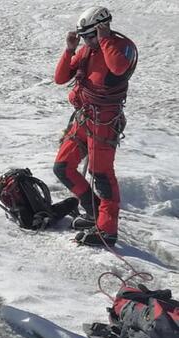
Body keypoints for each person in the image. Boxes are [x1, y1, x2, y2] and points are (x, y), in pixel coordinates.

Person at [53, 6, 137, 247]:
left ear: (103, 27)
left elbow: (118, 68)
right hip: (84, 118)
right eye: (85, 37)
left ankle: (107, 230)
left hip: (104, 122)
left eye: (90, 36)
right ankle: (95, 213)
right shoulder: (87, 51)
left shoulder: (120, 48)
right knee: (62, 167)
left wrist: (105, 39)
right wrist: (70, 49)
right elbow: (61, 78)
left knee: (101, 176)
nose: (87, 41)